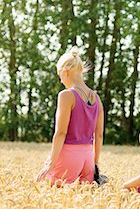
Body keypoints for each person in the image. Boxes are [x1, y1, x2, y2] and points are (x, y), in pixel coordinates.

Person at [35, 46, 104, 185]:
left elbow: (61, 132)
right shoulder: (97, 98)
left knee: (55, 200)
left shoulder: (66, 95)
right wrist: (94, 164)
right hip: (88, 158)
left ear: (65, 72)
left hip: (68, 155)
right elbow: (99, 135)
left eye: (59, 75)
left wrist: (51, 164)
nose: (61, 81)